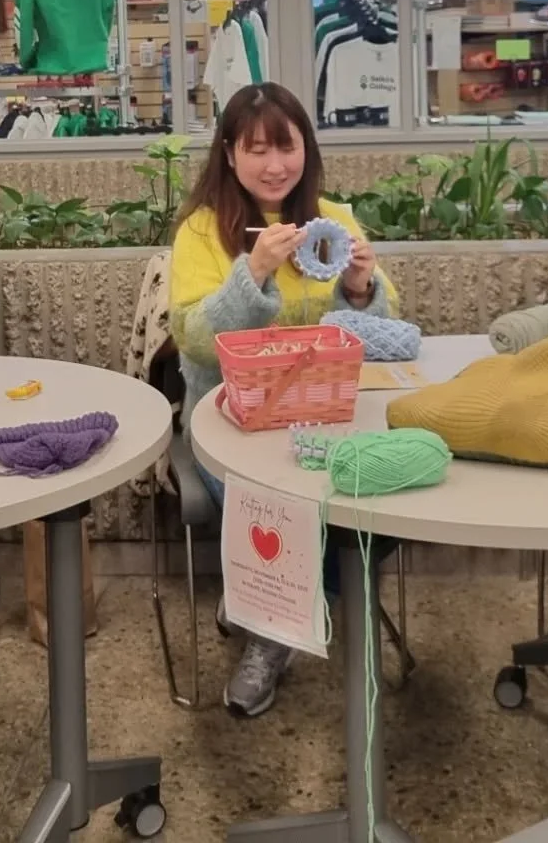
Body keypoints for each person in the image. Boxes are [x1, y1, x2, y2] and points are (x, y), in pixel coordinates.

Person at [169, 83, 395, 718]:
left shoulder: (335, 221)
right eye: (257, 149)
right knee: (281, 498)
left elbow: (390, 331)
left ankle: (268, 598)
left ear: (306, 149)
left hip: (332, 412)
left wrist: (360, 288)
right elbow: (190, 337)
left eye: (287, 147)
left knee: (373, 486)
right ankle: (271, 629)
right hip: (230, 425)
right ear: (230, 155)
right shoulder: (202, 233)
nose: (275, 165)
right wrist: (254, 274)